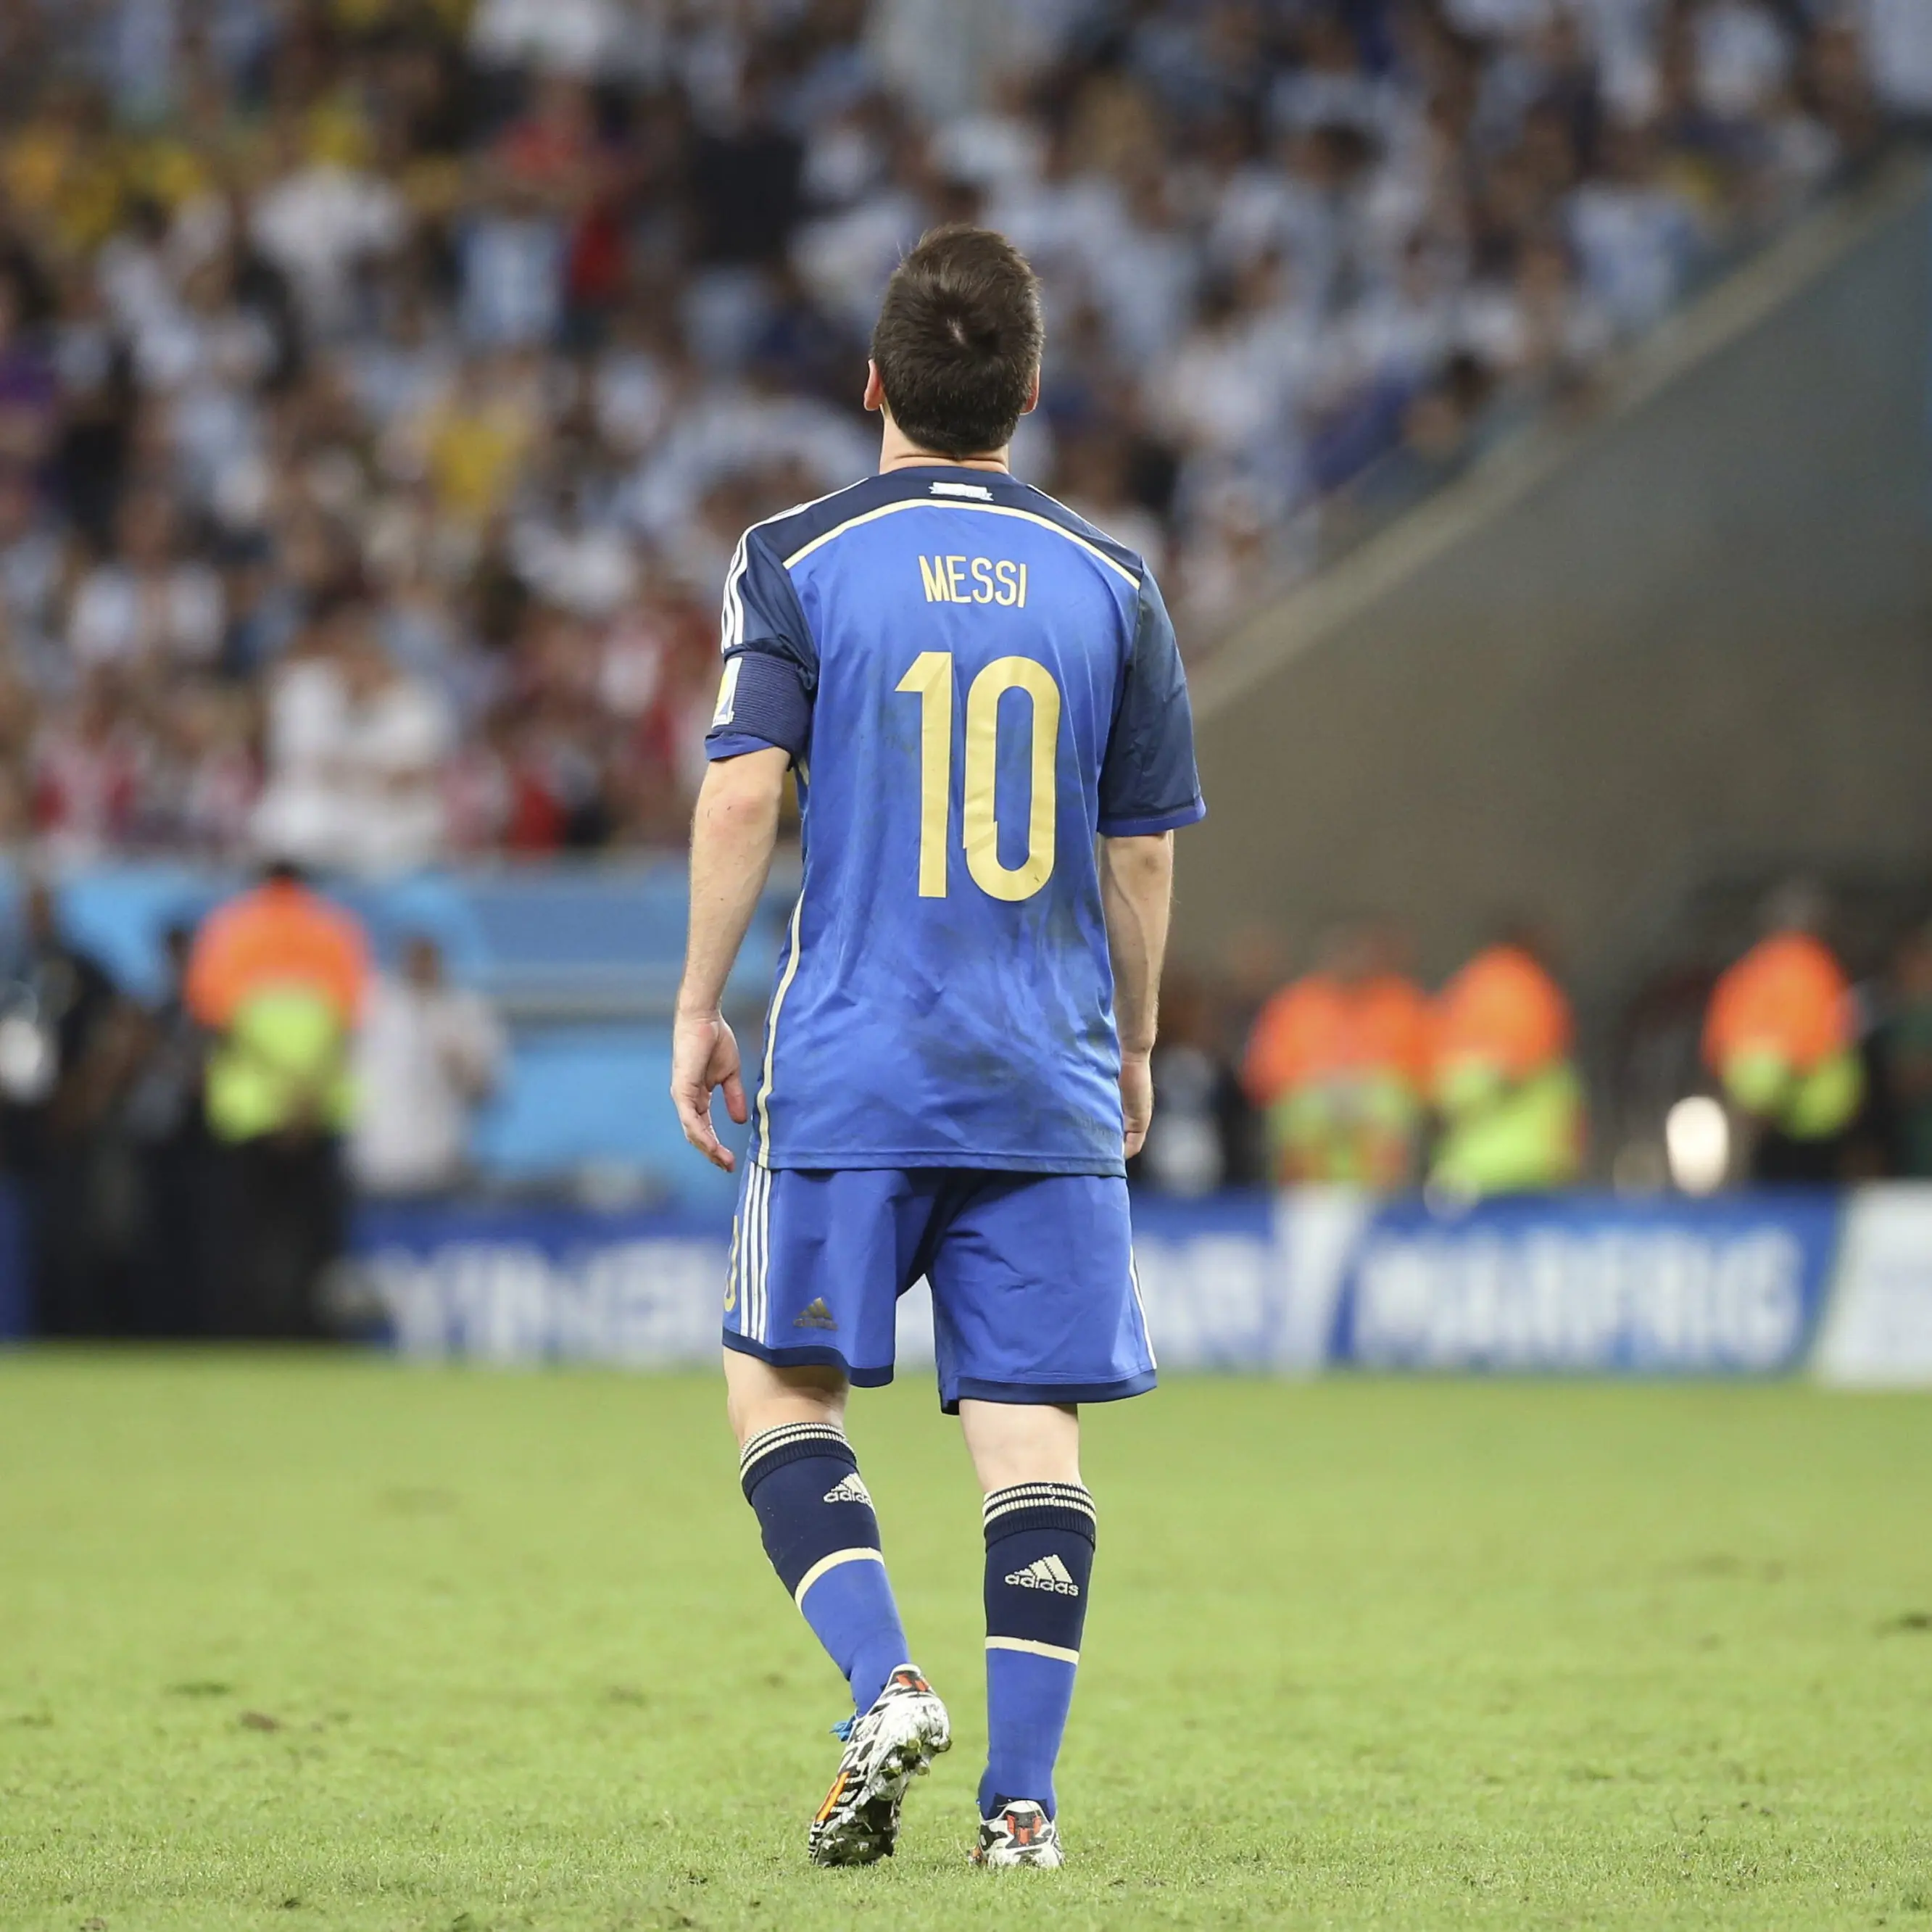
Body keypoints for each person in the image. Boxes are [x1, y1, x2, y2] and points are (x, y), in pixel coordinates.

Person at [669, 225, 1203, 1872]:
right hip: (1041, 1063)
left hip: (852, 1056)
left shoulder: (796, 551)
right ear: (1029, 397)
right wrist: (1132, 1037)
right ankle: (1020, 1812)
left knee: (777, 1383)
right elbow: (1138, 851)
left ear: (874, 383)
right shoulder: (1113, 580)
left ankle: (882, 1677)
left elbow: (746, 785)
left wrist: (695, 1002)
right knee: (1030, 1434)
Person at [185, 860, 369, 1335]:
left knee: (242, 1236)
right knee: (317, 1238)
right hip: (317, 1107)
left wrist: (277, 1086)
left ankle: (242, 1335)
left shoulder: (229, 928)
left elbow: (216, 1022)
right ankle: (317, 1336)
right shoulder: (335, 928)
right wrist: (303, 1093)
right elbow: (347, 1024)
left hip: (248, 1110)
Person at [1240, 921, 1432, 1189]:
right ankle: (1305, 1198)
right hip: (1315, 1115)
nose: (1351, 961)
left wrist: (1365, 1086)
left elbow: (1425, 1073)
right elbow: (1264, 1074)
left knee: (1389, 1105)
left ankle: (1387, 1206)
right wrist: (1324, 1085)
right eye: (1343, 951)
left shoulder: (1401, 1003)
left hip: (1376, 1119)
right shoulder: (1295, 1005)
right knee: (1302, 1113)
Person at [1702, 882, 1864, 1184]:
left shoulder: (1746, 972)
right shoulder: (1811, 968)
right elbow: (1804, 1040)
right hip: (1807, 1121)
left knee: (1769, 1198)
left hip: (1758, 1116)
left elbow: (1719, 1043)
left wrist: (1746, 1105)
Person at [1428, 932, 1585, 1198]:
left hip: (1467, 1163)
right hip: (1533, 1159)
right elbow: (1524, 1062)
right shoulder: (1531, 988)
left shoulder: (1465, 987)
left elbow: (1440, 1076)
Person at [349, 934, 505, 1199]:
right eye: (415, 959)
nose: (421, 967)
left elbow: (488, 1088)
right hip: (376, 1159)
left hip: (439, 1160)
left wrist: (459, 1064)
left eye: (428, 960)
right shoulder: (373, 1006)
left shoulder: (463, 1010)